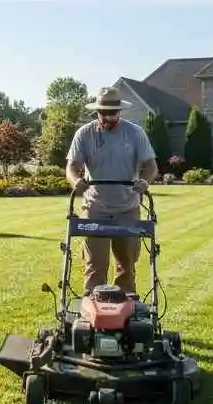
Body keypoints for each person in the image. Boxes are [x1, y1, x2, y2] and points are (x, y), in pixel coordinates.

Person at [65, 86, 159, 295]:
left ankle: (126, 311)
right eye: (104, 113)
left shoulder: (135, 133)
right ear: (97, 111)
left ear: (120, 111)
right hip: (94, 208)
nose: (109, 117)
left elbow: (152, 167)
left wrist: (144, 182)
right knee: (94, 267)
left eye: (113, 112)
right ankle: (91, 312)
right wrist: (75, 182)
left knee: (126, 267)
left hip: (127, 207)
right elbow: (71, 168)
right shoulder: (84, 134)